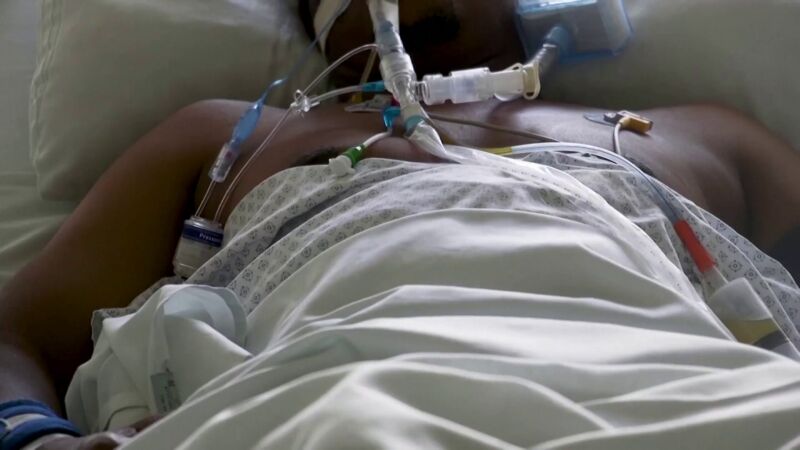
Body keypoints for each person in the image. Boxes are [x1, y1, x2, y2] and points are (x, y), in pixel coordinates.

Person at [1, 1, 799, 448]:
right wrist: (37, 441)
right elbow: (17, 339)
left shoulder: (688, 135)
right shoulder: (229, 140)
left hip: (683, 389)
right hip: (323, 402)